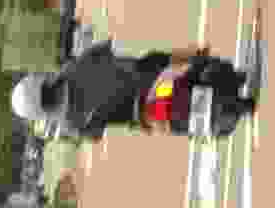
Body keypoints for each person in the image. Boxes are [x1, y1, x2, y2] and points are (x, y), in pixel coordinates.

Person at [13, 31, 257, 146]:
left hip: (148, 114)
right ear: (38, 81)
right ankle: (214, 65)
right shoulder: (73, 67)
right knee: (162, 60)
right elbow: (111, 50)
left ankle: (220, 107)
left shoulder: (71, 123)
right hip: (152, 81)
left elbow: (95, 136)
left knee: (172, 125)